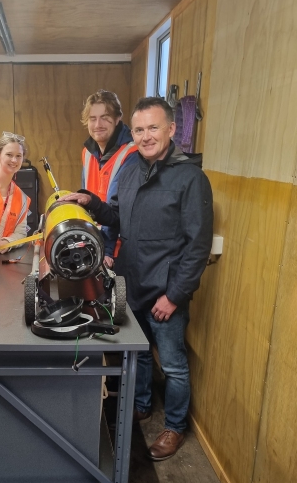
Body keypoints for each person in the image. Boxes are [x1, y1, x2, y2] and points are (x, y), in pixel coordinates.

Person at [59, 97, 213, 461]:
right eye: (140, 129)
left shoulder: (191, 178)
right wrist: (91, 202)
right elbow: (118, 218)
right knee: (140, 356)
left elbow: (198, 246)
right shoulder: (130, 171)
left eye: (153, 128)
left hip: (165, 292)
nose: (146, 137)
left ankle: (174, 427)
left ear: (172, 129)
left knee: (172, 364)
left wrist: (174, 296)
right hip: (133, 284)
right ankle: (141, 405)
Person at [81, 90, 138, 267]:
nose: (98, 124)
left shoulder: (131, 154)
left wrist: (106, 250)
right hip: (95, 243)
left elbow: (118, 211)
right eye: (92, 118)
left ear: (117, 118)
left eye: (105, 117)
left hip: (118, 251)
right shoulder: (88, 153)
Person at [0, 132, 31, 253]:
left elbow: (21, 233)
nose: (14, 160)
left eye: (18, 156)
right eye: (9, 154)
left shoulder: (22, 198)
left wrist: (8, 241)